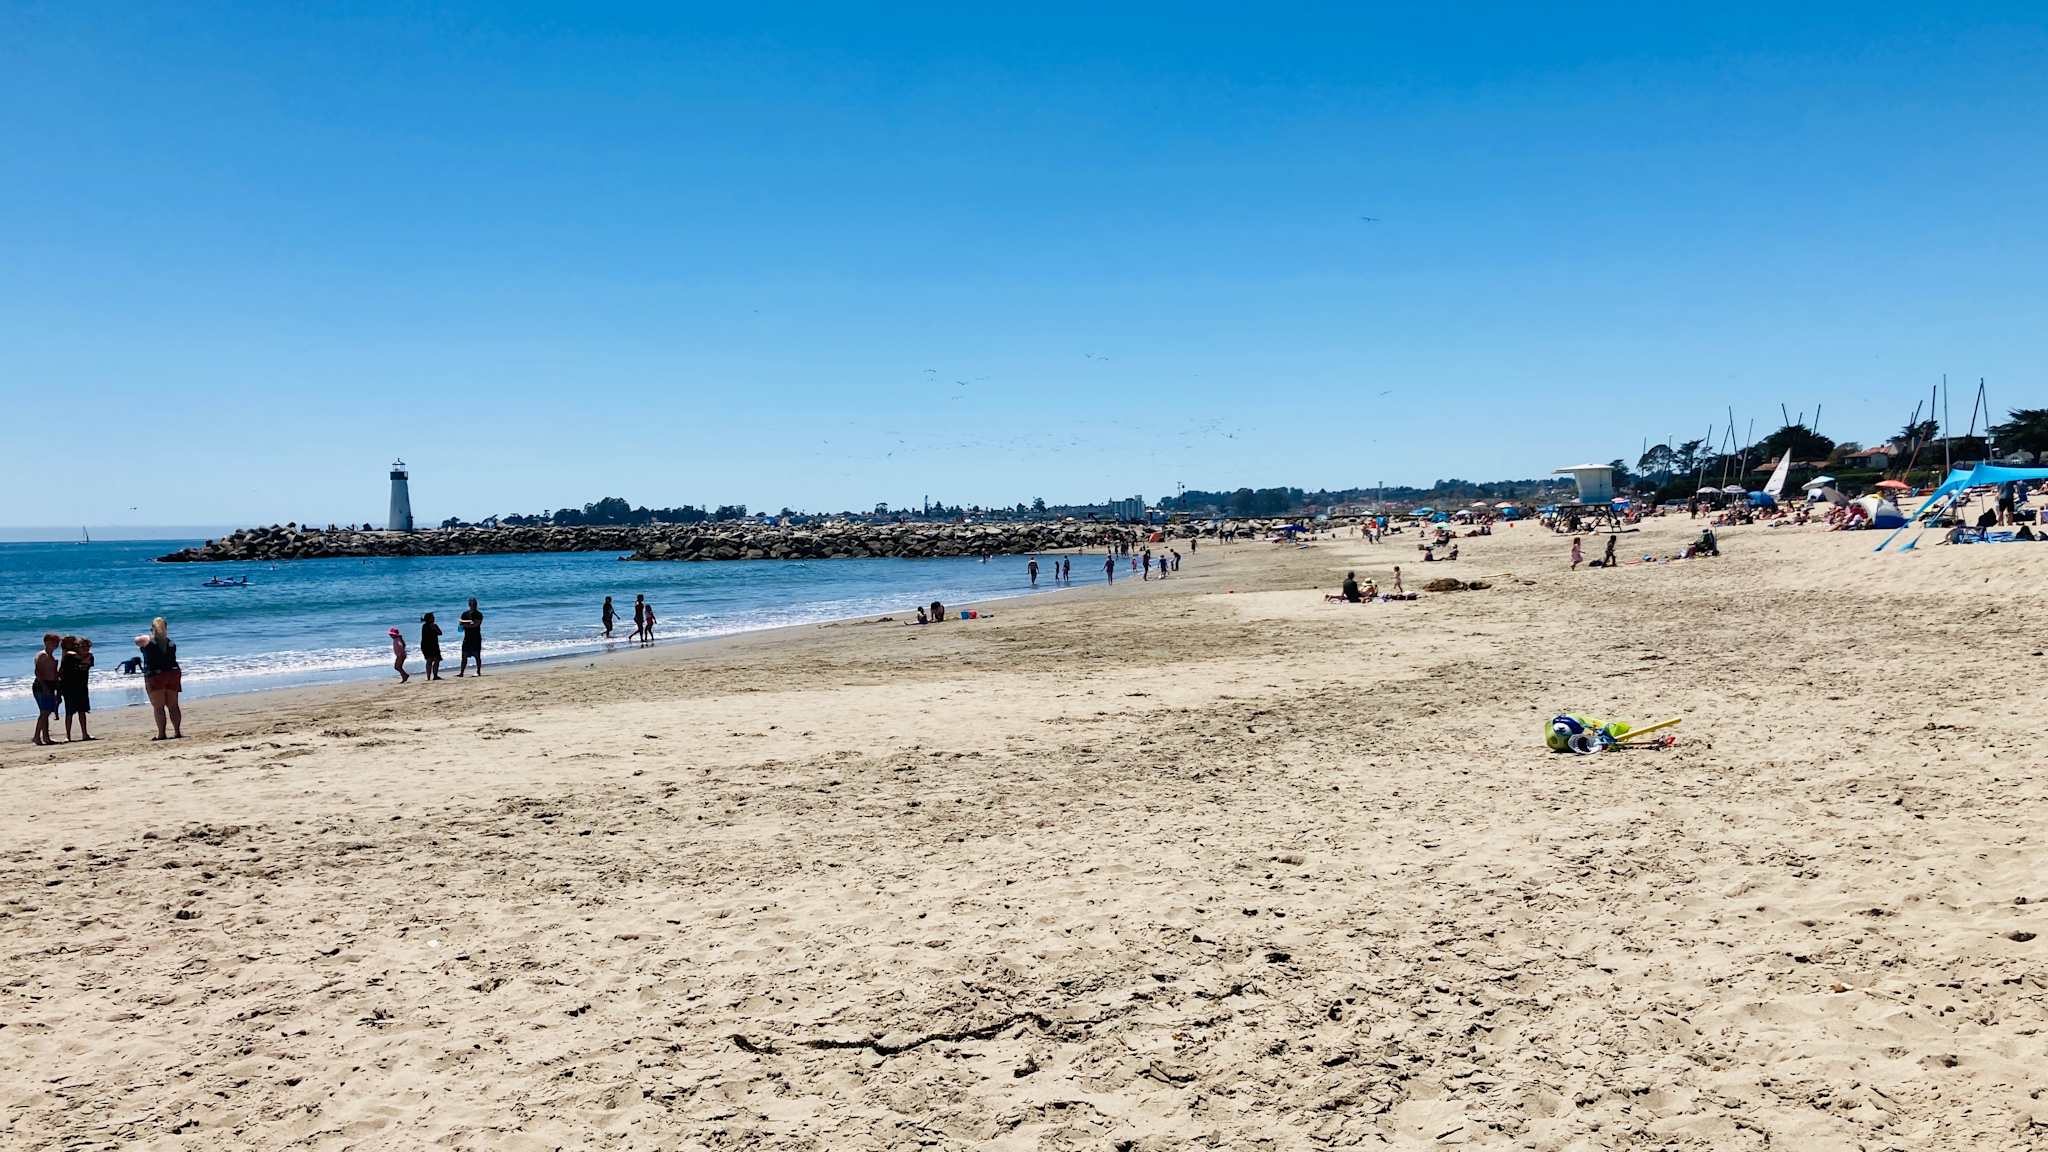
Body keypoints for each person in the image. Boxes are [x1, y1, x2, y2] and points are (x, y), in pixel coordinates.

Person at [137, 616, 182, 740]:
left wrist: (149, 635)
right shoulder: (171, 643)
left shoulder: (148, 642)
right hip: (173, 673)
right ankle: (177, 731)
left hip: (156, 675)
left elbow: (136, 640)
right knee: (173, 705)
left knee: (159, 707)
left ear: (153, 629)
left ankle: (162, 733)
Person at [60, 636, 94, 741]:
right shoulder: (68, 656)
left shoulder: (90, 656)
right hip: (68, 687)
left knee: (82, 711)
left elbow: (86, 662)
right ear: (77, 647)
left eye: (87, 646)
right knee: (69, 712)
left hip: (82, 686)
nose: (85, 648)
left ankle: (85, 734)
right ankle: (68, 736)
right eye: (82, 646)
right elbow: (62, 667)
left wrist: (78, 656)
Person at [31, 633, 62, 746]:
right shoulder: (42, 655)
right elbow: (37, 672)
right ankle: (36, 736)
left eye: (57, 643)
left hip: (50, 684)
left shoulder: (51, 656)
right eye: (54, 642)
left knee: (46, 712)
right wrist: (44, 686)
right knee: (45, 712)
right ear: (47, 642)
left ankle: (46, 737)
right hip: (41, 685)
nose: (56, 645)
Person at [457, 598, 484, 676]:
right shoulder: (465, 614)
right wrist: (468, 623)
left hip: (476, 637)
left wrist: (465, 624)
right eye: (472, 604)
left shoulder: (479, 614)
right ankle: (461, 672)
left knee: (477, 656)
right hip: (467, 638)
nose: (473, 605)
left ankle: (478, 671)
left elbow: (476, 624)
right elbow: (460, 625)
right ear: (469, 605)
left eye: (474, 604)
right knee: (464, 656)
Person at [420, 612, 444, 680]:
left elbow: (440, 633)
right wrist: (432, 628)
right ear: (429, 619)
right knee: (429, 661)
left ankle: (435, 675)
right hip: (427, 646)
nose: (434, 618)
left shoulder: (435, 625)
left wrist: (434, 628)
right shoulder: (425, 626)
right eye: (432, 617)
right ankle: (428, 677)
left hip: (434, 645)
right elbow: (426, 637)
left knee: (437, 660)